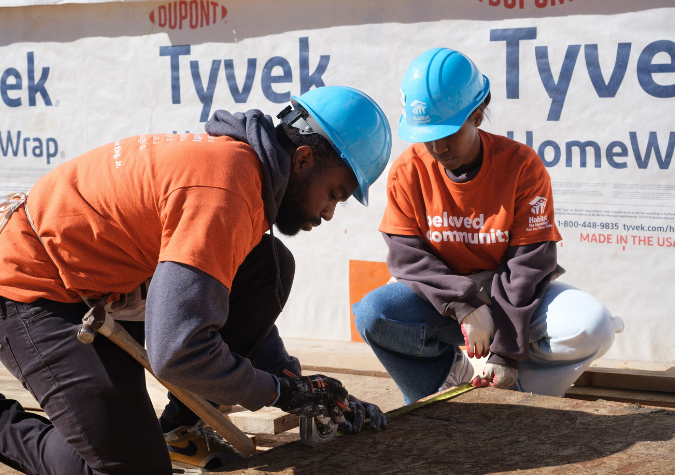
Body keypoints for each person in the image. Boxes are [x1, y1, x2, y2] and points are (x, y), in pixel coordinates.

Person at [0, 85, 392, 475]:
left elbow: (213, 303)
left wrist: (299, 384)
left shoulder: (243, 170)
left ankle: (179, 428)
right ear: (303, 159)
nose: (329, 213)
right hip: (34, 285)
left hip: (102, 284)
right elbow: (177, 352)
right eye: (335, 194)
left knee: (268, 268)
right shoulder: (224, 189)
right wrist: (282, 393)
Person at [352, 48, 624, 405]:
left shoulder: (521, 165)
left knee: (593, 326)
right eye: (426, 134)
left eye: (447, 131)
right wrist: (465, 305)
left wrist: (506, 352)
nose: (437, 146)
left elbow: (529, 265)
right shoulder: (408, 170)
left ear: (477, 116)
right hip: (443, 299)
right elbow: (407, 260)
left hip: (510, 295)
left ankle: (517, 395)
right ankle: (442, 386)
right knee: (374, 314)